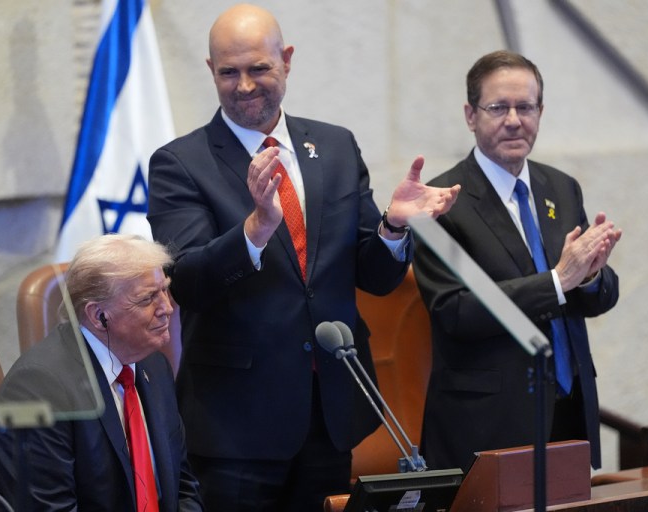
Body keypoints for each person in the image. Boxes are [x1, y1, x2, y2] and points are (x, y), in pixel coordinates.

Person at [146, 4, 460, 510]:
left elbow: (375, 277)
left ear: (287, 60)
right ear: (210, 70)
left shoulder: (335, 147)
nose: (244, 85)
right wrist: (255, 228)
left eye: (259, 68)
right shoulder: (180, 163)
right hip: (236, 424)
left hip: (329, 409)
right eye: (228, 72)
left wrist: (394, 226)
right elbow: (187, 283)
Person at [413, 50, 622, 473]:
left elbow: (598, 296)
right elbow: (456, 311)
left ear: (540, 113)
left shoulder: (560, 187)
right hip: (488, 424)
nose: (513, 120)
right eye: (498, 107)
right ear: (470, 115)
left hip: (568, 410)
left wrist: (590, 275)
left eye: (525, 107)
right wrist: (559, 280)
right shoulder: (441, 201)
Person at [0, 234, 204, 511]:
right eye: (147, 298)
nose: (167, 308)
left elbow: (182, 486)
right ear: (98, 316)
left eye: (164, 290)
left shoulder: (153, 363)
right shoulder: (35, 389)